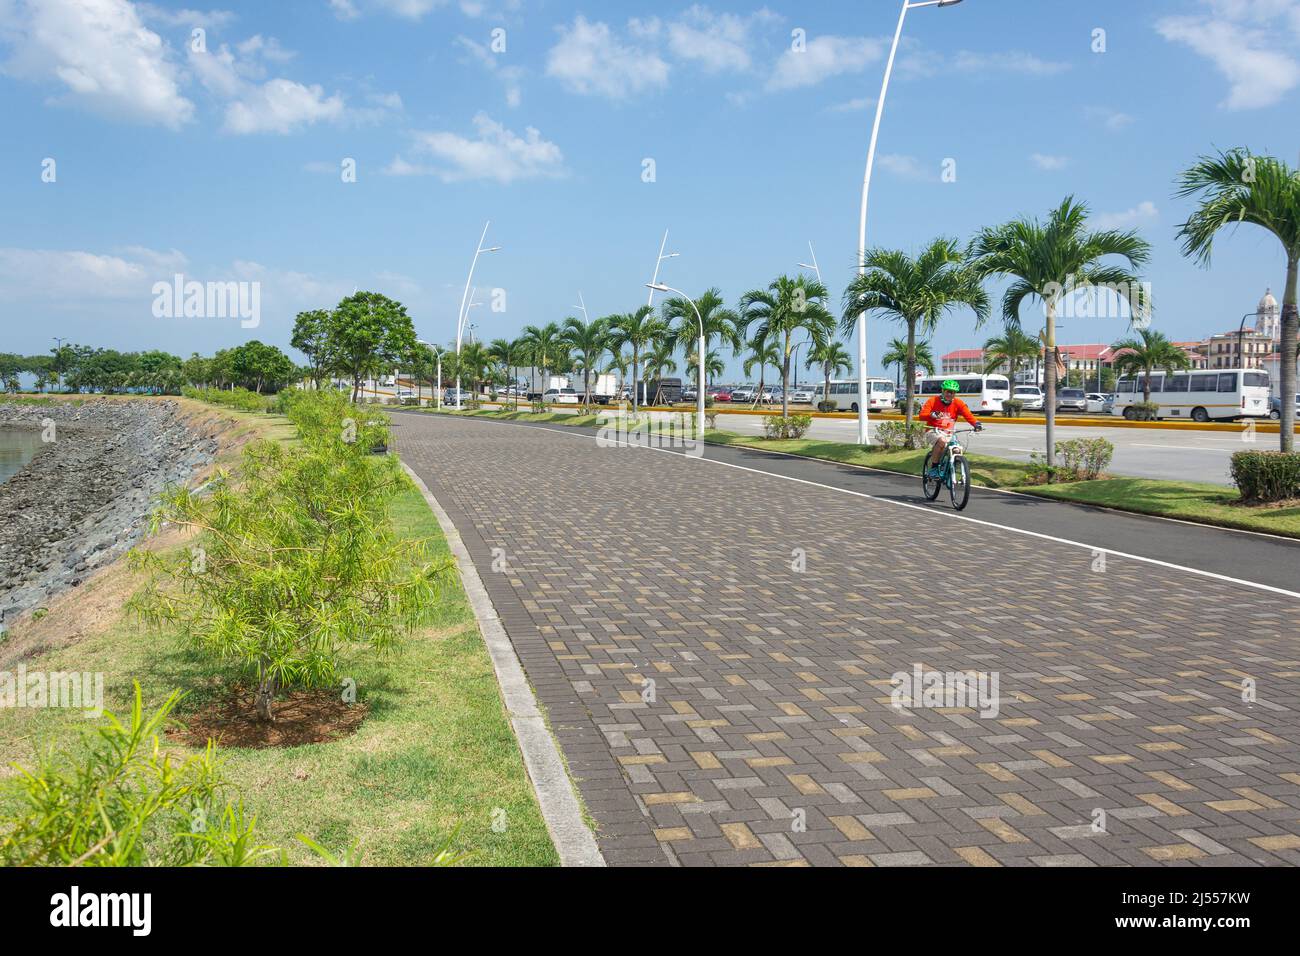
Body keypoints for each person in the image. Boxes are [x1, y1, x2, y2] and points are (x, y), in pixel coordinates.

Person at [919, 380, 982, 477]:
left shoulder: (958, 403)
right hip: (933, 430)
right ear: (943, 391)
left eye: (952, 392)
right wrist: (932, 414)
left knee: (957, 449)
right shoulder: (933, 400)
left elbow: (968, 415)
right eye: (948, 391)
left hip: (949, 431)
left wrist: (976, 424)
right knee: (941, 442)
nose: (950, 394)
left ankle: (950, 466)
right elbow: (922, 416)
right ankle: (934, 468)